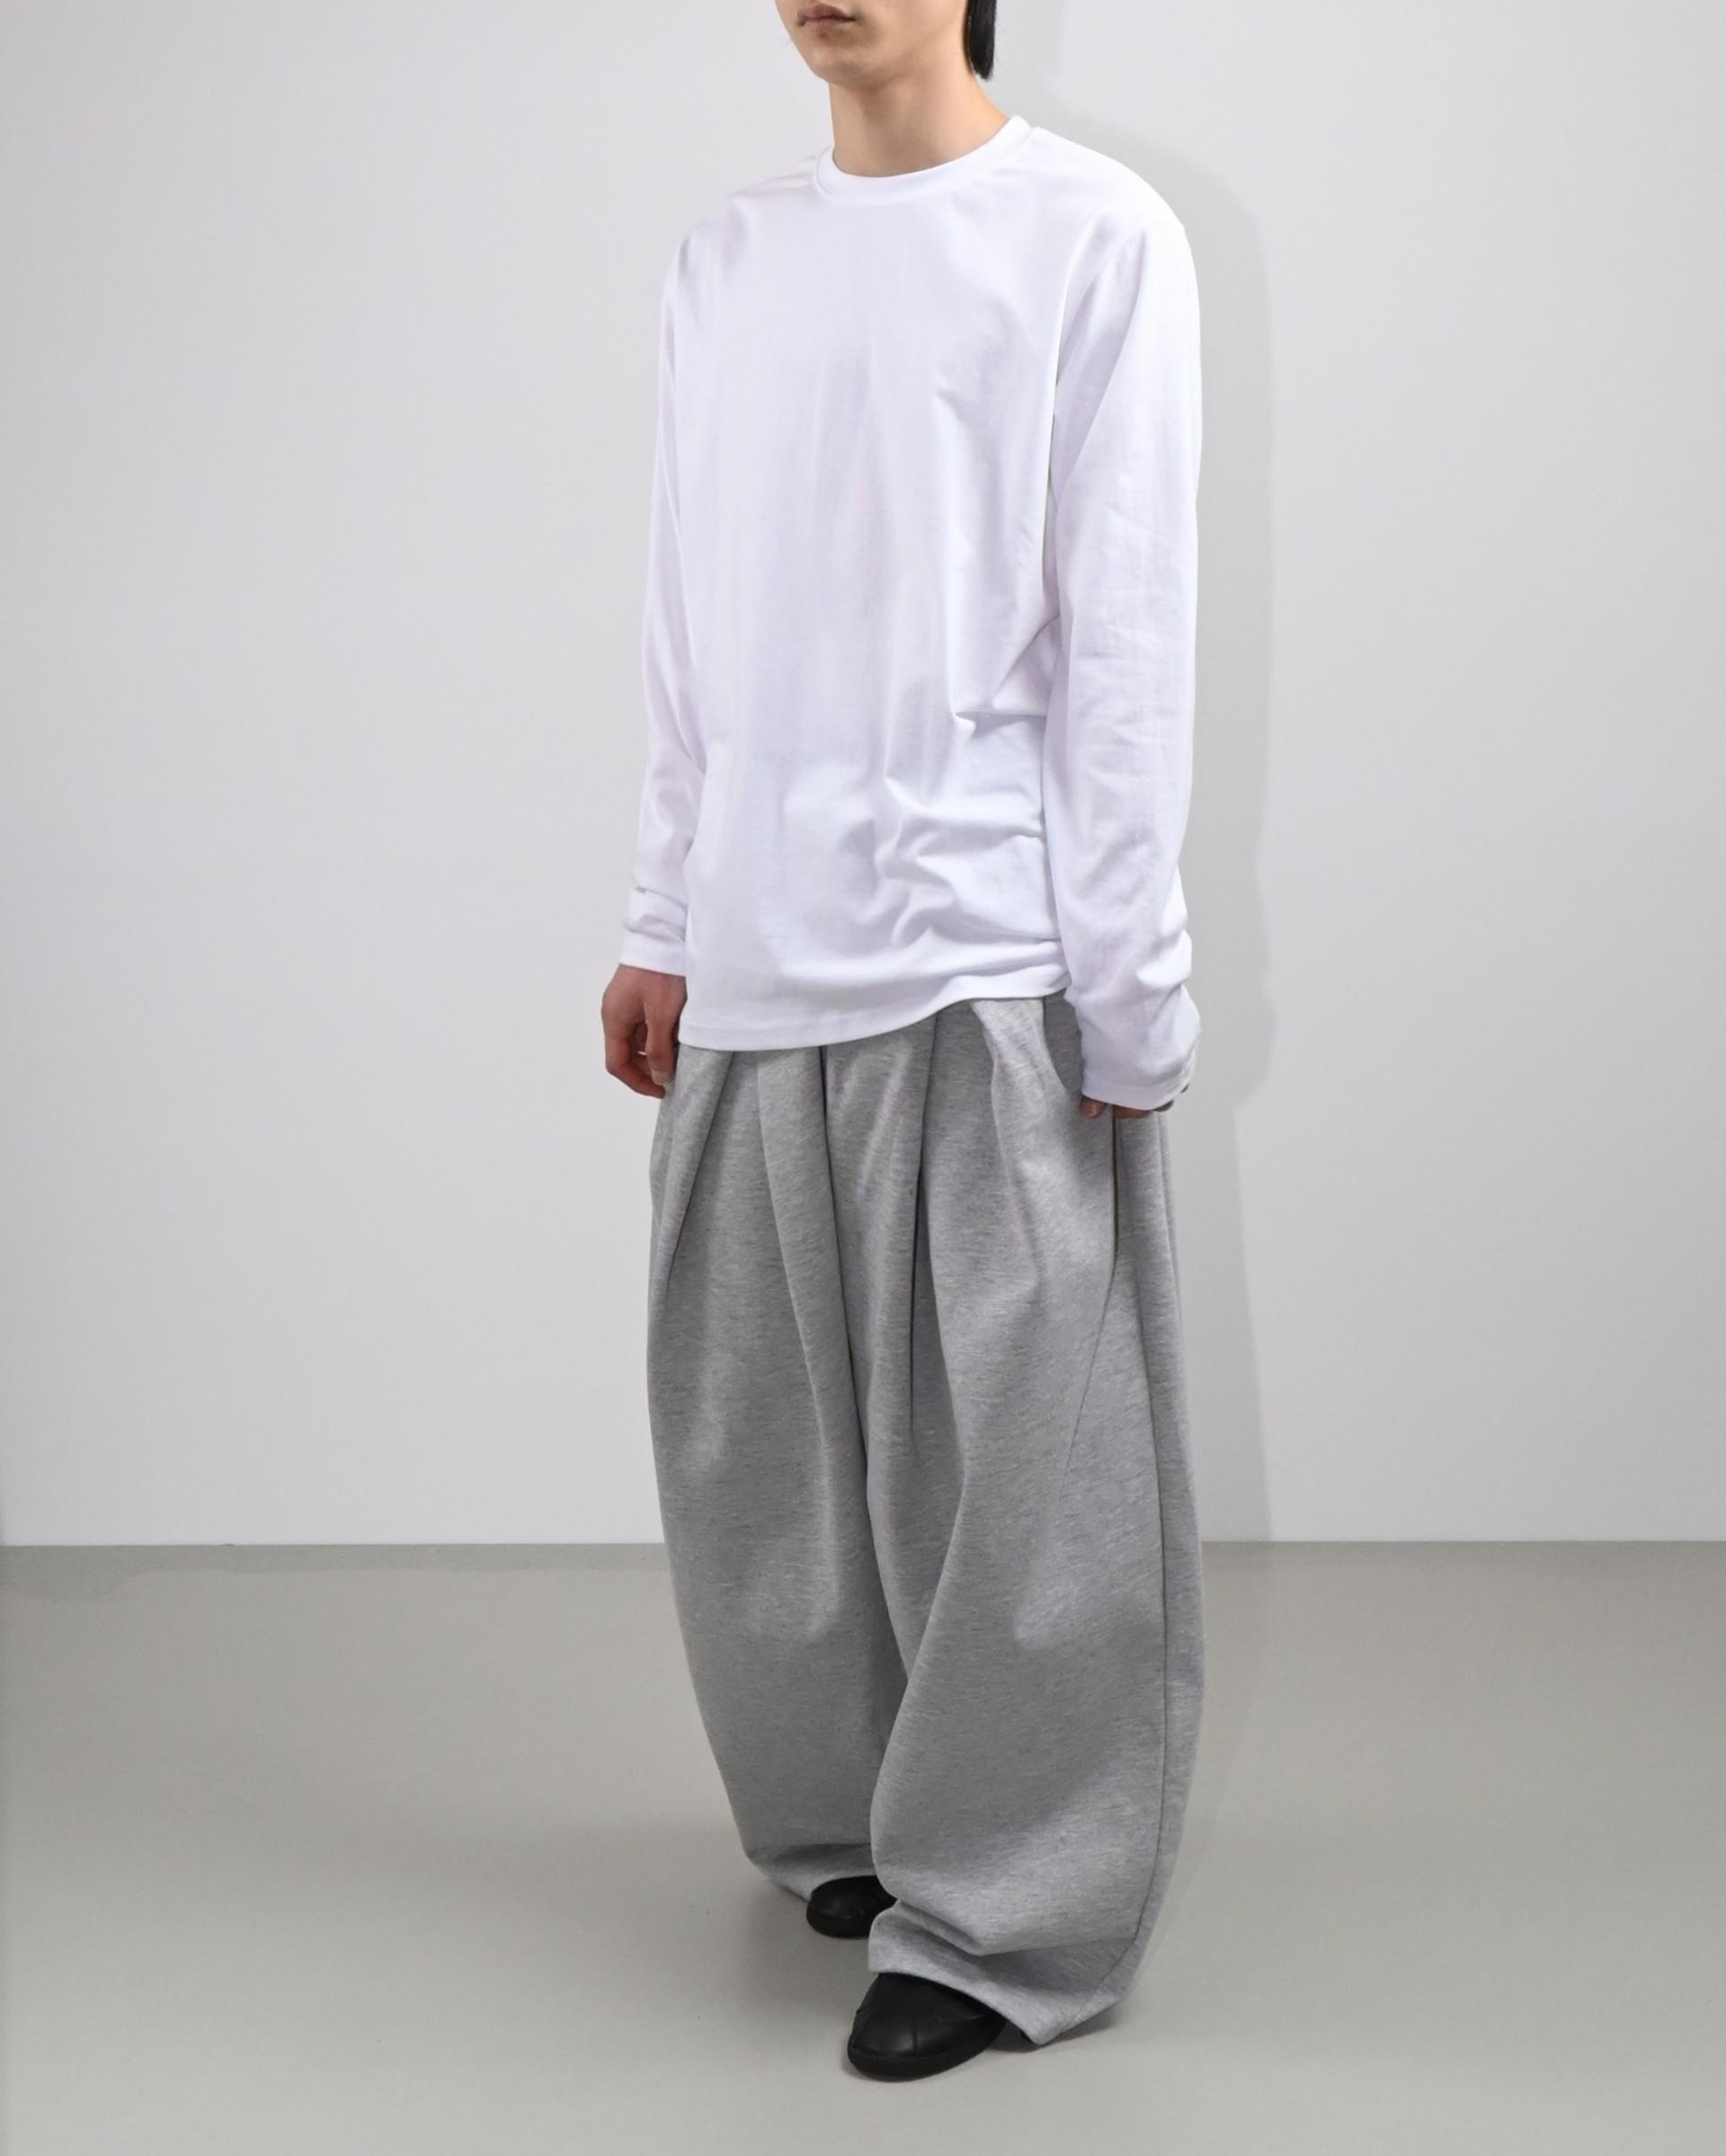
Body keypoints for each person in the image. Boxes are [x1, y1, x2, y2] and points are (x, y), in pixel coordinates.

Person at [600, 0, 1206, 2082]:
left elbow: (1127, 632)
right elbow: (684, 614)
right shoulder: (729, 255)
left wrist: (1127, 981)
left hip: (985, 955)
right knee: (757, 1459)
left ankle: (1011, 1911)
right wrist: (661, 914)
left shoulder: (1093, 236)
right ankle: (854, 1828)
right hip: (760, 947)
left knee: (1026, 1485)